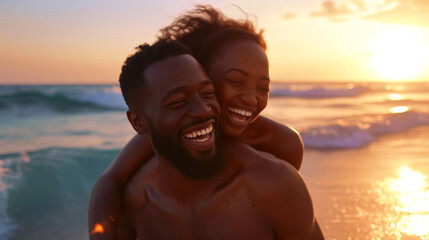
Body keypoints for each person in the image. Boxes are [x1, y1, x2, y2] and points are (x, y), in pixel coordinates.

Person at [89, 5, 305, 239]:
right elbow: (110, 180)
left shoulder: (284, 145)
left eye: (263, 87)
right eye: (235, 80)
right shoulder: (162, 137)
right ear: (203, 75)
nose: (251, 98)